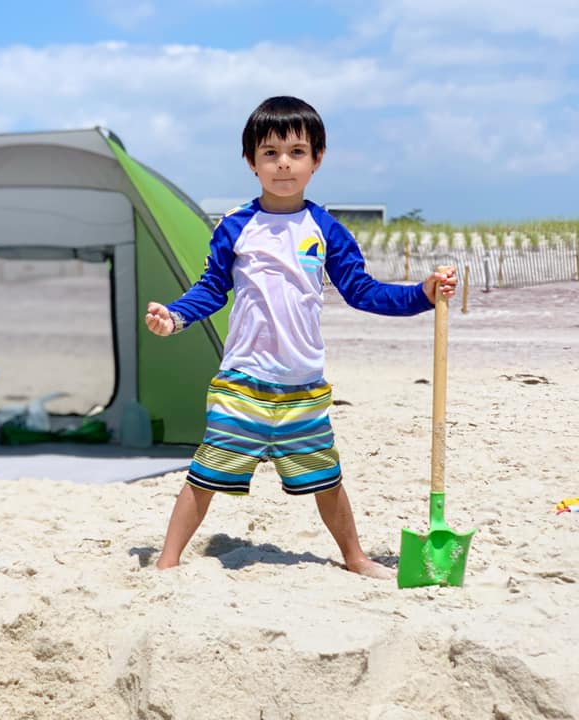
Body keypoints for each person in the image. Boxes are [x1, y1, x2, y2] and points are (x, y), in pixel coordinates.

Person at [145, 96, 457, 578]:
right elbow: (211, 289)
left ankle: (354, 557)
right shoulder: (235, 226)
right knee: (205, 475)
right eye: (270, 153)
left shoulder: (326, 229)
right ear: (251, 162)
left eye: (296, 151)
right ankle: (167, 561)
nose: (283, 163)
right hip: (242, 382)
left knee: (326, 479)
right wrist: (176, 316)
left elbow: (363, 292)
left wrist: (423, 293)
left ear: (317, 158)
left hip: (303, 385)